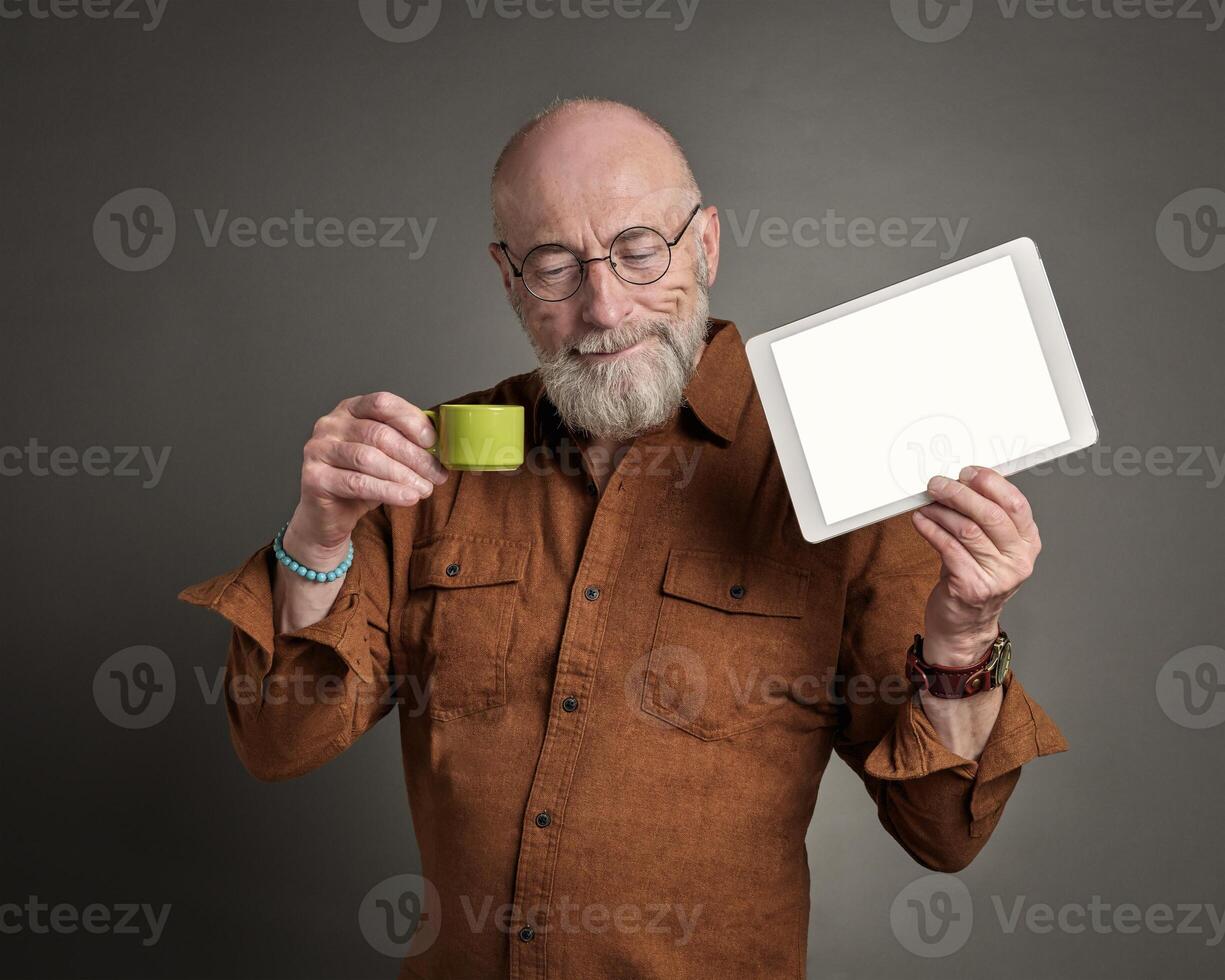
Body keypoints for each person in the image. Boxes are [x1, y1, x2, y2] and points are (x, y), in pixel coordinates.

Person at [179, 97, 1067, 980]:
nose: (604, 306)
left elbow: (944, 833)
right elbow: (278, 742)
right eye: (555, 266)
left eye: (639, 249)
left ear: (706, 243)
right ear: (508, 278)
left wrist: (961, 638)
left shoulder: (831, 465)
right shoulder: (432, 461)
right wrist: (318, 534)